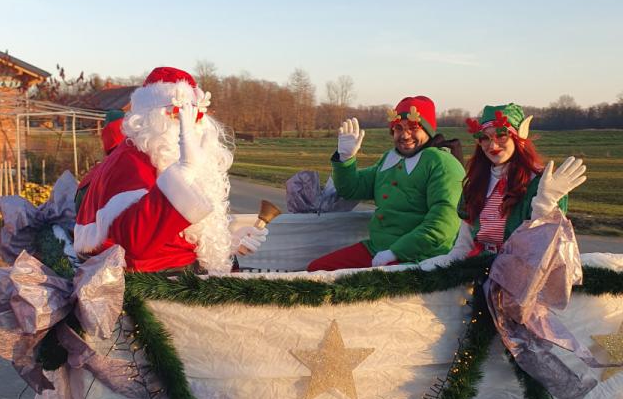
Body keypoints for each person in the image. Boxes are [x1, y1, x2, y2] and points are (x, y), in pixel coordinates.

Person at [73, 66, 266, 273]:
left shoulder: (154, 156)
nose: (191, 125)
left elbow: (175, 235)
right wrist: (185, 172)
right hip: (155, 283)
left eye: (197, 113)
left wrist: (226, 244)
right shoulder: (130, 162)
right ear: (150, 116)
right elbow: (134, 242)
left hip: (186, 276)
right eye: (179, 113)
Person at [307, 96, 466, 271]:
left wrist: (395, 253)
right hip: (377, 249)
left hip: (421, 257)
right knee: (318, 269)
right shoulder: (390, 159)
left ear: (428, 131)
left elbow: (444, 223)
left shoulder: (442, 163)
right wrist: (345, 158)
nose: (405, 135)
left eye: (414, 128)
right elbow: (351, 189)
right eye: (399, 128)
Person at [419, 103, 586, 268]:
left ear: (519, 138)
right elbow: (463, 247)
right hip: (479, 269)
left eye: (501, 135)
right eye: (485, 138)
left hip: (520, 272)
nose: (492, 145)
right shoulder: (476, 183)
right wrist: (440, 266)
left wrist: (545, 203)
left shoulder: (541, 183)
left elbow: (541, 245)